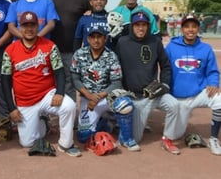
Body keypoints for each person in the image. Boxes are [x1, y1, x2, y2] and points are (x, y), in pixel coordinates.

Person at [1, 11, 81, 157]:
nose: (29, 29)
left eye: (32, 25)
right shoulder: (10, 50)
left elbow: (60, 72)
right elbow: (5, 81)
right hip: (25, 101)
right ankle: (43, 122)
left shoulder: (49, 46)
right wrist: (11, 108)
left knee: (68, 106)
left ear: (38, 26)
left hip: (46, 95)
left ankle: (66, 144)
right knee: (27, 143)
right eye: (25, 25)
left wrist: (60, 92)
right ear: (20, 27)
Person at [115, 9, 181, 155]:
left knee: (175, 105)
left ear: (148, 26)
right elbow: (115, 68)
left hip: (154, 94)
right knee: (135, 139)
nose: (141, 28)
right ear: (132, 26)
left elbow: (165, 66)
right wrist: (121, 91)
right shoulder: (122, 42)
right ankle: (117, 122)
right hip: (135, 98)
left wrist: (164, 84)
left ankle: (167, 139)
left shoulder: (155, 41)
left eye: (144, 24)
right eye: (137, 24)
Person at [71, 25, 140, 151]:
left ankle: (127, 138)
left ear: (105, 38)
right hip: (88, 99)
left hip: (106, 97)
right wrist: (89, 96)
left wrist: (98, 97)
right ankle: (106, 123)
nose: (96, 40)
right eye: (93, 37)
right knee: (84, 137)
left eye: (99, 37)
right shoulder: (79, 54)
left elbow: (116, 82)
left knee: (126, 105)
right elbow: (75, 78)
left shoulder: (111, 56)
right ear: (88, 39)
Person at [165, 14, 221, 155]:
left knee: (219, 99)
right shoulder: (171, 47)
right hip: (178, 98)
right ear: (182, 29)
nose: (191, 30)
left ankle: (213, 139)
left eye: (194, 26)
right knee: (177, 135)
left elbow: (213, 71)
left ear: (198, 28)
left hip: (198, 93)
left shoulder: (206, 48)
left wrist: (213, 83)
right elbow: (165, 69)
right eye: (187, 26)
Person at [41, 0, 91, 101]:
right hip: (49, 47)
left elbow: (95, 12)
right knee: (47, 80)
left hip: (71, 49)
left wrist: (91, 12)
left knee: (70, 81)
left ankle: (68, 115)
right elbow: (34, 3)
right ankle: (46, 116)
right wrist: (17, 0)